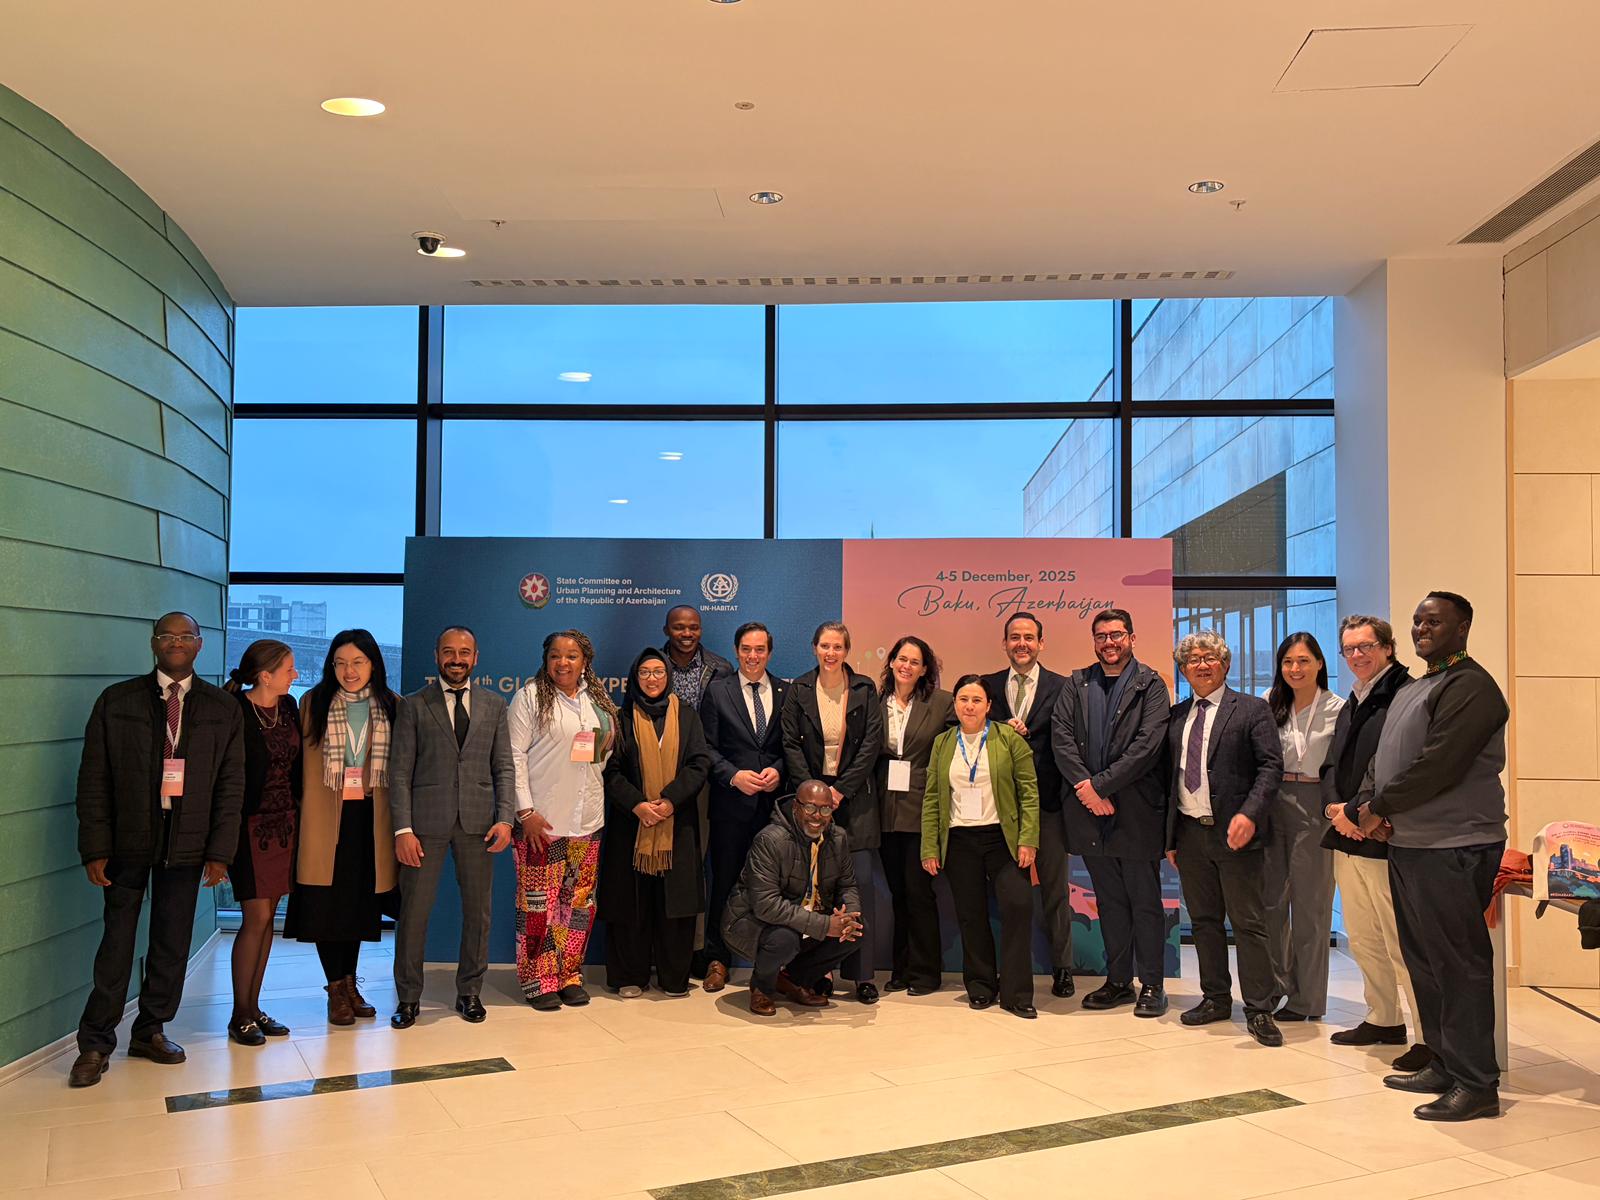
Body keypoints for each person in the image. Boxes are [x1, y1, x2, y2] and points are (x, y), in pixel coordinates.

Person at [69, 613, 244, 1088]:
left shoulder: (221, 708)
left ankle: (150, 1029)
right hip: (127, 839)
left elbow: (231, 785)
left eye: (186, 636)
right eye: (167, 636)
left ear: (199, 645)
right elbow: (93, 778)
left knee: (172, 940)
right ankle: (95, 1043)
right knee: (117, 942)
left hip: (188, 842)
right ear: (153, 644)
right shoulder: (117, 701)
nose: (176, 643)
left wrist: (220, 852)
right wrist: (95, 847)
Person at [1354, 592, 1508, 1122]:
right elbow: (1384, 759)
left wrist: (1379, 807)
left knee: (1459, 964)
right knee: (1424, 961)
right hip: (1412, 844)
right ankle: (1443, 1062)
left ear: (1462, 627)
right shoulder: (1416, 686)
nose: (1422, 628)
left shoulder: (1472, 687)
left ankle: (1477, 1084)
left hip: (1455, 844)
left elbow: (1439, 765)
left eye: (1434, 621)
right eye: (1417, 621)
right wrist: (1367, 803)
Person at [387, 626, 516, 1029]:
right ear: (437, 656)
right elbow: (399, 773)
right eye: (449, 651)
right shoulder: (413, 705)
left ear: (475, 658)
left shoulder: (495, 705)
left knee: (478, 913)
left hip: (479, 824)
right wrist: (402, 829)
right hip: (424, 825)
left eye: (464, 652)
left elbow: (504, 767)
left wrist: (505, 818)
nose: (456, 659)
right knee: (413, 914)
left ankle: (470, 992)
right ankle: (408, 997)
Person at [1050, 609, 1172, 1017]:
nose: (1109, 642)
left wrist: (1099, 786)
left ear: (1132, 638)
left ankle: (1152, 984)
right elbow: (1062, 739)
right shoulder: (1077, 683)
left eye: (1117, 634)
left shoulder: (1151, 684)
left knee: (1145, 902)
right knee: (1109, 901)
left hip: (1136, 812)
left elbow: (1147, 746)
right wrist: (1086, 789)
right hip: (1091, 814)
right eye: (1101, 635)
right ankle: (1119, 981)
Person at [1165, 630, 1284, 1047]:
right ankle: (1215, 998)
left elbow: (1270, 767)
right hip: (1189, 833)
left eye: (1209, 657)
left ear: (1225, 664)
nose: (1201, 665)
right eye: (1192, 660)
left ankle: (1259, 1008)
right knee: (1203, 922)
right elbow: (1170, 779)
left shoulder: (1252, 709)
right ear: (1183, 670)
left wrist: (1250, 814)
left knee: (1248, 923)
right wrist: (1170, 838)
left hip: (1236, 834)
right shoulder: (1176, 715)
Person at [1319, 616, 1425, 1068]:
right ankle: (1383, 1018)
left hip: (1383, 834)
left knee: (1401, 941)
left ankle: (1428, 1037)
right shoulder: (1354, 698)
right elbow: (1331, 765)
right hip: (1348, 832)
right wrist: (1334, 810)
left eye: (1365, 647)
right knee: (1362, 936)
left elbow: (1398, 766)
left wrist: (1358, 812)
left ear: (1387, 647)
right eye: (1349, 649)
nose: (1357, 656)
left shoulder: (1406, 694)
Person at [285, 629, 401, 1026]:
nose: (349, 671)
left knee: (356, 906)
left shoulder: (392, 705)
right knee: (325, 905)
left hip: (370, 819)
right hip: (323, 818)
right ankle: (335, 988)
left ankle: (351, 984)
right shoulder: (312, 703)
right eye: (340, 663)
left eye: (357, 662)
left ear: (373, 664)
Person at [507, 629, 618, 1011]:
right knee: (538, 907)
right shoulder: (530, 697)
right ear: (546, 659)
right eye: (555, 655)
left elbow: (603, 755)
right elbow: (513, 756)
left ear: (585, 661)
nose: (562, 662)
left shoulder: (597, 701)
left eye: (571, 656)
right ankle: (537, 979)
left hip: (587, 821)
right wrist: (525, 811)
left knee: (578, 905)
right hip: (543, 824)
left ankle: (568, 975)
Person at [922, 675, 1041, 1017]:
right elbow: (932, 797)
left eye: (977, 700)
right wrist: (930, 847)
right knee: (971, 915)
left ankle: (1017, 993)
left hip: (1003, 839)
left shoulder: (1008, 738)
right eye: (963, 699)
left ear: (989, 705)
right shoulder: (943, 743)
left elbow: (1029, 791)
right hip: (959, 840)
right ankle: (980, 985)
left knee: (1018, 908)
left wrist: (1028, 839)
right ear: (955, 704)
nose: (969, 706)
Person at [781, 620, 884, 1003]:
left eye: (838, 646)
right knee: (815, 889)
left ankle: (862, 976)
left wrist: (840, 791)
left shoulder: (864, 689)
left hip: (854, 799)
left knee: (859, 887)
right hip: (812, 802)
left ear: (846, 651)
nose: (831, 653)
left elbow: (871, 745)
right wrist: (816, 796)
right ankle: (817, 972)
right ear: (814, 648)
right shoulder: (799, 689)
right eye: (825, 645)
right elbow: (790, 743)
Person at [601, 648, 713, 997]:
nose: (652, 679)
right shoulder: (620, 718)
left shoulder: (688, 716)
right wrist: (638, 805)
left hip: (676, 823)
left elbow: (699, 763)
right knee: (631, 906)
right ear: (635, 678)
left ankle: (673, 978)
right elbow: (611, 771)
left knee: (674, 906)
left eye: (659, 672)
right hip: (631, 825)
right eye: (645, 672)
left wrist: (669, 801)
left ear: (669, 677)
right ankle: (629, 977)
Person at [982, 615, 1074, 998]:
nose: (1022, 643)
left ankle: (1063, 968)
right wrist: (1001, 730)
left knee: (1055, 892)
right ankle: (1006, 970)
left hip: (1048, 806)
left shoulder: (1063, 687)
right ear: (1004, 643)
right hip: (1000, 809)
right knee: (1007, 896)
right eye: (1015, 637)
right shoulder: (986, 686)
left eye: (1029, 638)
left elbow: (1069, 741)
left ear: (1041, 643)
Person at [698, 622, 789, 992]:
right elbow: (705, 747)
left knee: (775, 889)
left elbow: (792, 746)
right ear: (736, 651)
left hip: (773, 810)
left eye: (760, 649)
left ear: (770, 652)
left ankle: (771, 965)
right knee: (723, 883)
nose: (753, 656)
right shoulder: (717, 691)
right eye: (747, 649)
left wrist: (779, 770)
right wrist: (734, 776)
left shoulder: (786, 691)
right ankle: (716, 960)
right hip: (730, 808)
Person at [722, 780, 864, 1015]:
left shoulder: (838, 838)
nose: (817, 816)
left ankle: (791, 980)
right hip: (751, 921)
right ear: (796, 807)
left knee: (855, 931)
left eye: (825, 809)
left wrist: (849, 916)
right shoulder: (770, 839)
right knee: (784, 939)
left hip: (805, 917)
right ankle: (762, 987)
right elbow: (766, 905)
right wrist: (825, 925)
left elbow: (847, 884)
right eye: (810, 808)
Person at [223, 639, 301, 1046]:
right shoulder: (234, 711)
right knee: (254, 918)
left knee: (269, 917)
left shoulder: (288, 707)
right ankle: (239, 1014)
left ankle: (254, 1008)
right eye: (289, 669)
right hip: (248, 828)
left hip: (285, 825)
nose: (296, 675)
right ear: (266, 675)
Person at [1262, 632, 1344, 1022]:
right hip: (1273, 802)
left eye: (1304, 661)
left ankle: (1307, 1000)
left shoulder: (1338, 708)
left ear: (1320, 664)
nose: (1295, 669)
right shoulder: (1269, 702)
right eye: (1288, 661)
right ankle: (1275, 987)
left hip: (1315, 804)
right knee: (1271, 903)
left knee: (1311, 906)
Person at [876, 635, 954, 994]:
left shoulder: (941, 703)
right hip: (885, 810)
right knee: (898, 894)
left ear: (925, 670)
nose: (906, 666)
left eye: (915, 662)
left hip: (923, 810)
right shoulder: (876, 702)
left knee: (919, 892)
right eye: (901, 659)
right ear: (892, 662)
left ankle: (925, 972)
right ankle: (902, 969)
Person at [662, 605, 734, 709]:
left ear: (700, 630)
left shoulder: (721, 669)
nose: (687, 634)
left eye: (694, 628)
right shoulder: (650, 665)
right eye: (679, 628)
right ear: (666, 630)